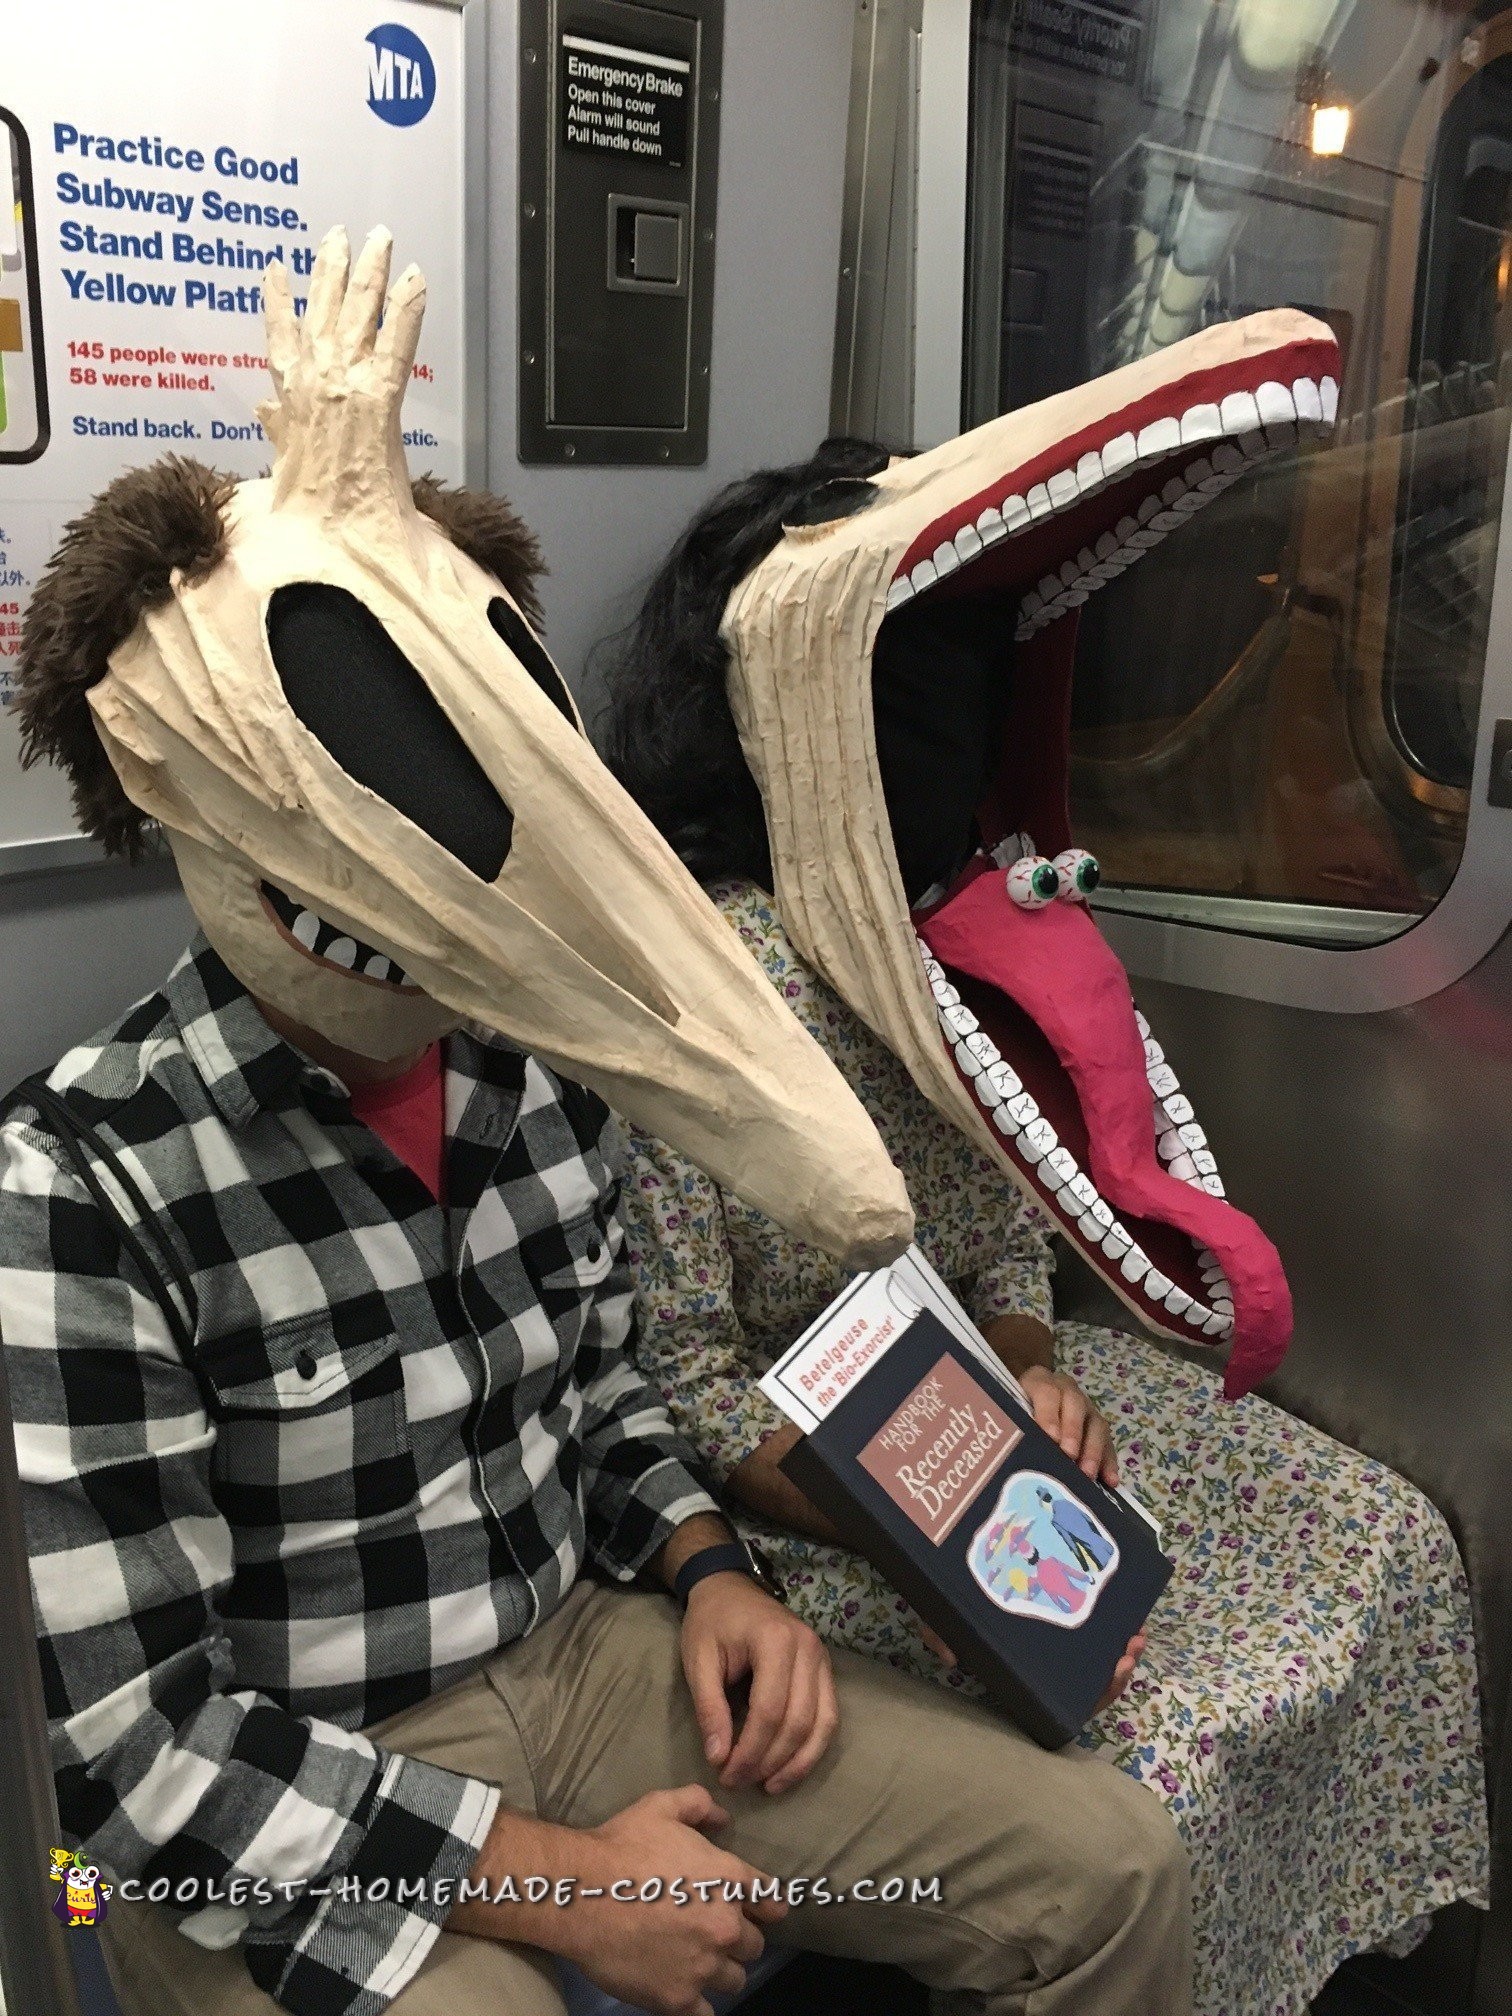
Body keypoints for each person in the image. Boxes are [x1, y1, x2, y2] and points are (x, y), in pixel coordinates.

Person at [0, 232, 1193, 2016]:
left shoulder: (531, 1068)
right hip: (298, 1784)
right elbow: (144, 1753)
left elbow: (606, 1390)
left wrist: (710, 1571)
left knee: (1105, 1873)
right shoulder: (87, 1181)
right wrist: (562, 1889)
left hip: (589, 1653)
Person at [602, 431, 1491, 2016]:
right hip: (806, 1485)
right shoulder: (699, 991)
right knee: (1128, 1724)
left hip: (992, 1422)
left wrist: (1025, 1378)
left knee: (1389, 1542)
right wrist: (920, 1496)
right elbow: (677, 1372)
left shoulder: (952, 936)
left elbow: (1007, 1250)